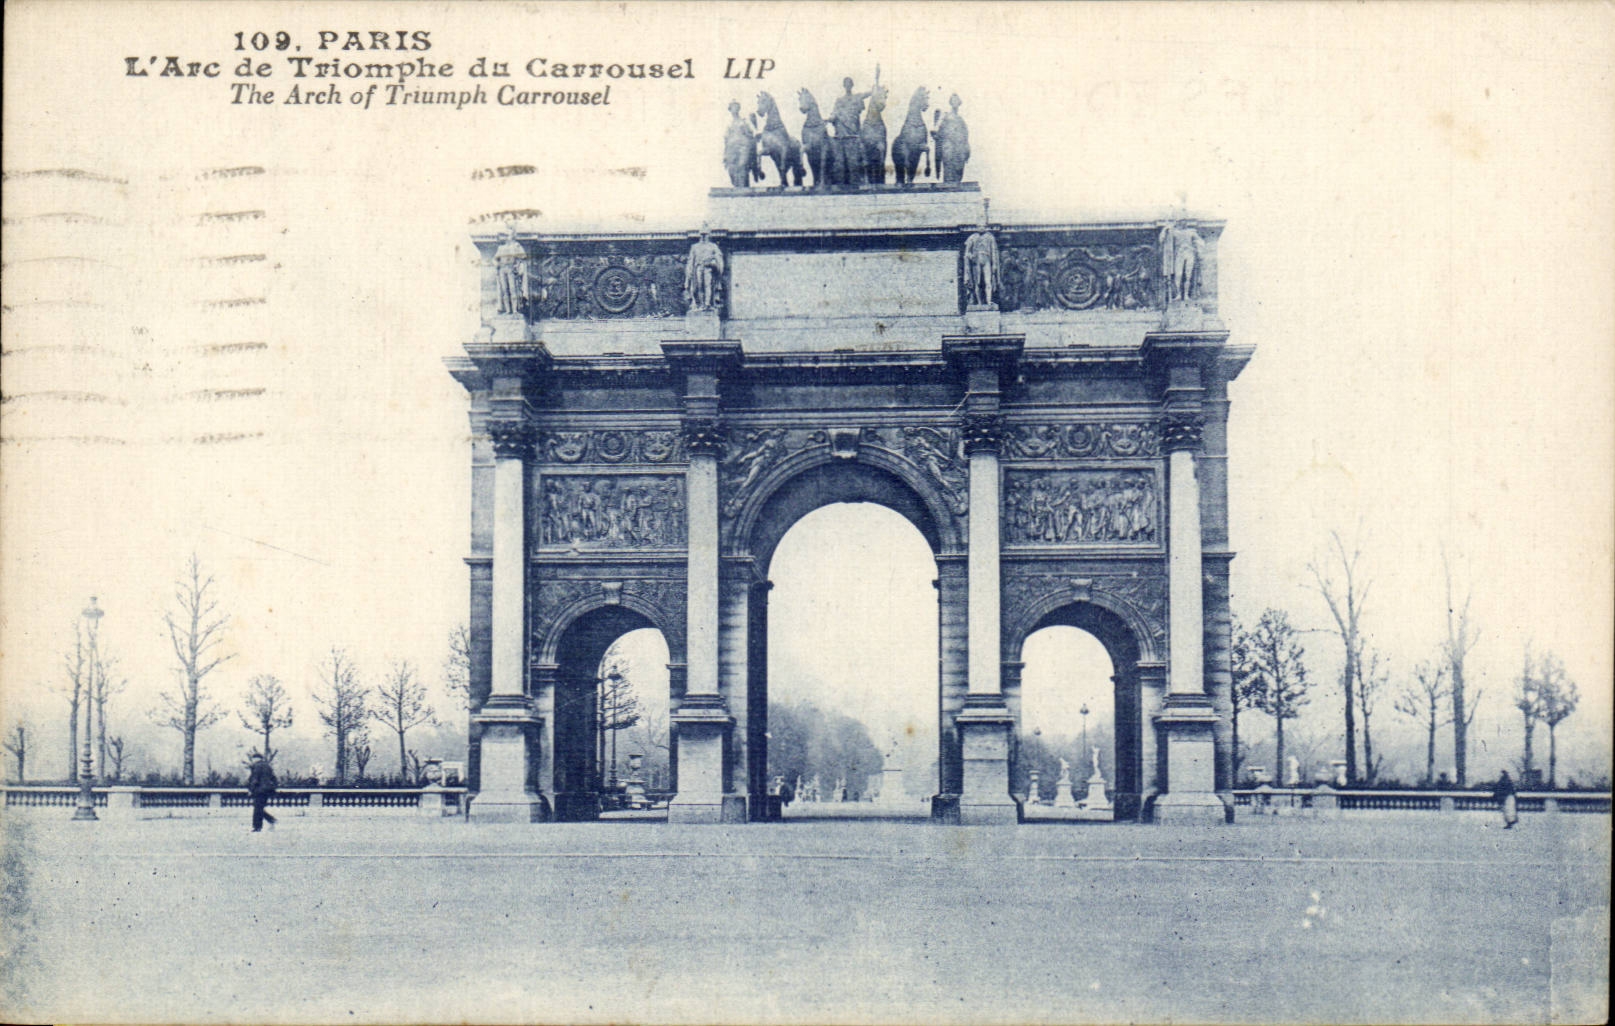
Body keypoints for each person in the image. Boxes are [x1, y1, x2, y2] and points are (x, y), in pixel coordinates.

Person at [247, 752, 279, 833]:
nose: (252, 761)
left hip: (259, 790)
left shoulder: (257, 766)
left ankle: (257, 827)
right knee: (259, 808)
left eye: (253, 759)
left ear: (256, 759)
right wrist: (273, 788)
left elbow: (255, 779)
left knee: (257, 808)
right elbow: (274, 778)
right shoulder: (268, 766)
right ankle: (271, 820)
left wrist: (251, 789)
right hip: (267, 790)